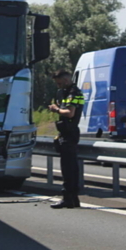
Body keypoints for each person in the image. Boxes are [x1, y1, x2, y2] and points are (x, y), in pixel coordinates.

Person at [48, 70, 83, 208]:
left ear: (66, 80)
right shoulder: (69, 92)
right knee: (71, 167)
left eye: (59, 83)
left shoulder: (73, 92)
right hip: (68, 132)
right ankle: (73, 198)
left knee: (68, 168)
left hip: (70, 132)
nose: (58, 86)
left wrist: (55, 109)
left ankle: (68, 198)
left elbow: (69, 113)